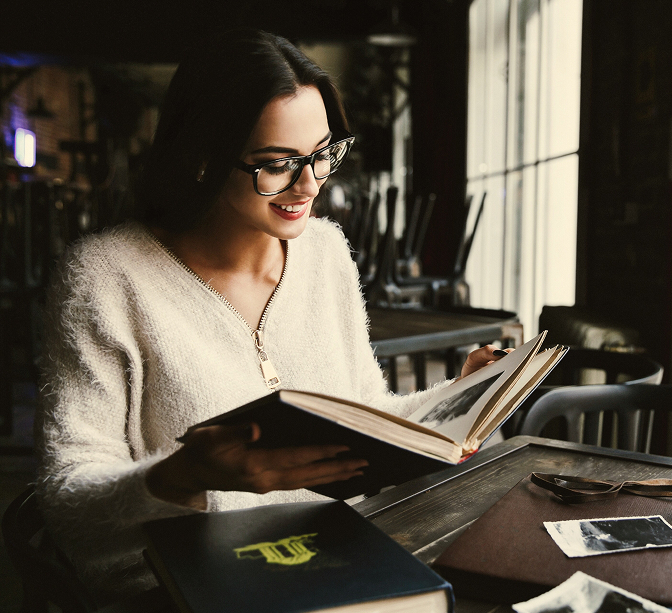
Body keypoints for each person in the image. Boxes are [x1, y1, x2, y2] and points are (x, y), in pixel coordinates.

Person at [35, 29, 502, 604]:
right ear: (201, 156)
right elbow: (66, 499)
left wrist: (456, 401)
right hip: (171, 582)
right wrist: (183, 475)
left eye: (323, 153)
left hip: (335, 555)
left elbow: (362, 415)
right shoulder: (105, 277)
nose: (309, 185)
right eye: (277, 163)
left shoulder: (325, 252)